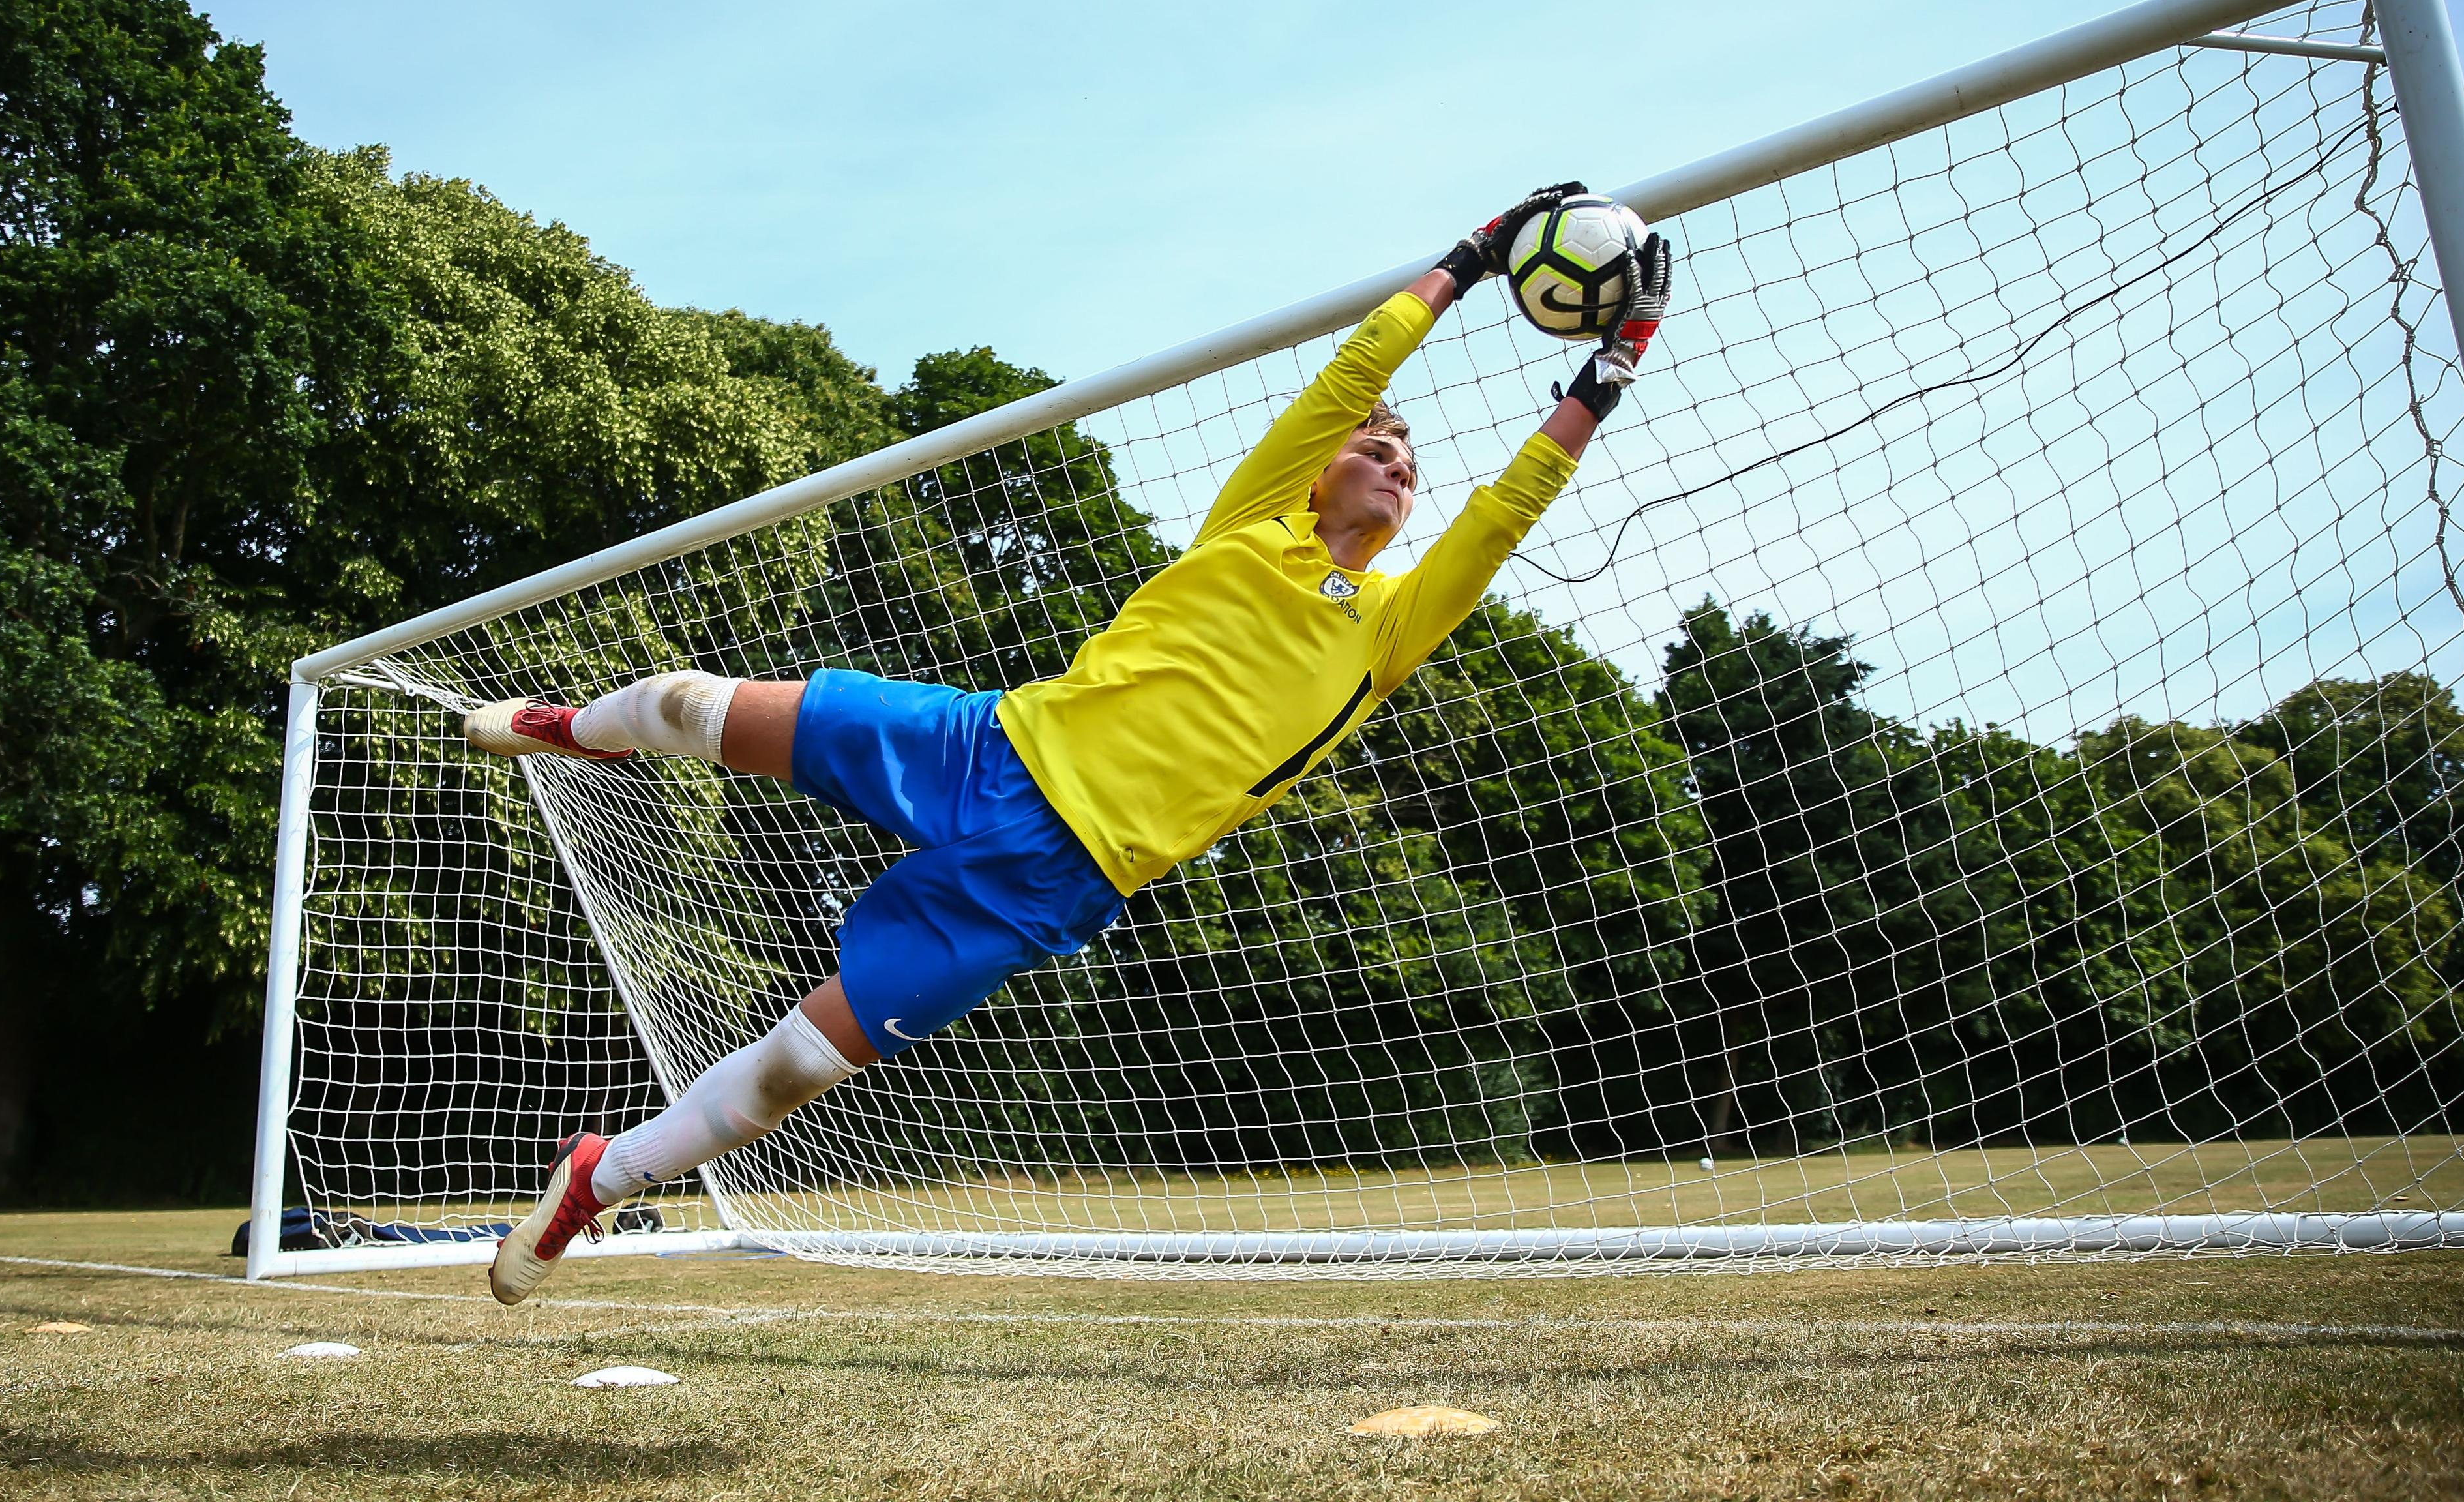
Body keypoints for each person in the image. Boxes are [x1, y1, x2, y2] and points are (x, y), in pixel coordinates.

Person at [467, 185, 1672, 1303]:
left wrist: (1615, 364)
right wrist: (1469, 258)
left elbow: (1510, 508)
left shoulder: (1393, 631)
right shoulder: (1252, 518)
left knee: (797, 1067)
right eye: (1372, 446)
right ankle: (576, 732)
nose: (1394, 464)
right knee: (689, 704)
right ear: (1315, 475)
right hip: (990, 746)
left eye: (1407, 465)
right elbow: (1358, 363)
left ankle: (599, 1182)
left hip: (1055, 880)